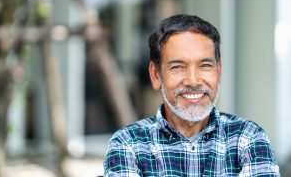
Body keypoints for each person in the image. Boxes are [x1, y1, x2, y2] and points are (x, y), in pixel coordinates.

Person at [103, 14, 280, 176]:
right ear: (156, 75)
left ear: (219, 71)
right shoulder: (128, 144)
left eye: (205, 65)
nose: (193, 81)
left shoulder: (247, 138)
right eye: (178, 67)